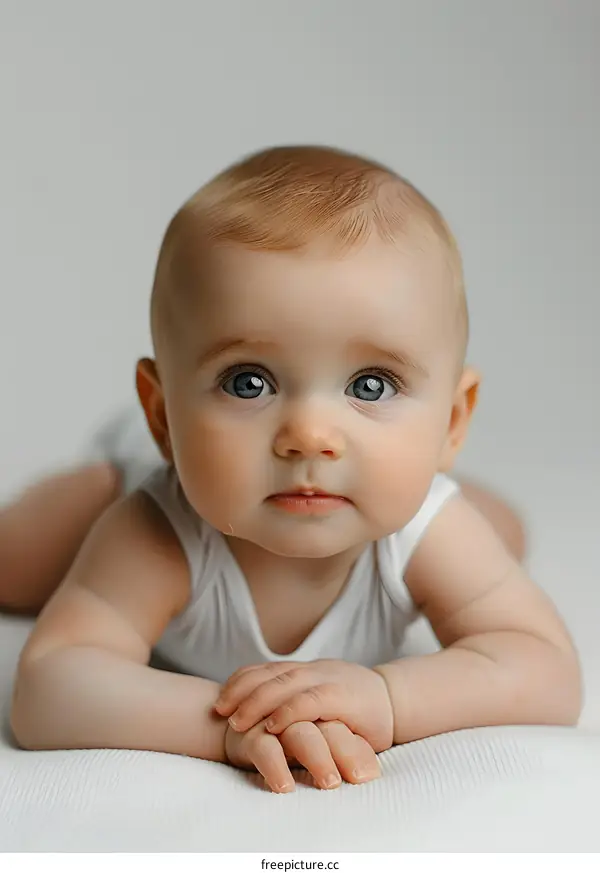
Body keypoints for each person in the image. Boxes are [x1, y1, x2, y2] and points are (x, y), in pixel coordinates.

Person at [5, 145, 581, 794]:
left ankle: (432, 480)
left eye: (370, 385)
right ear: (163, 415)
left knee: (493, 532)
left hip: (399, 495)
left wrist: (390, 697)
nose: (309, 434)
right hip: (127, 478)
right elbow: (48, 685)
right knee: (21, 559)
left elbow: (548, 670)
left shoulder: (424, 530)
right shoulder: (156, 532)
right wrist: (224, 725)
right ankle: (94, 485)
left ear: (452, 422)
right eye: (248, 382)